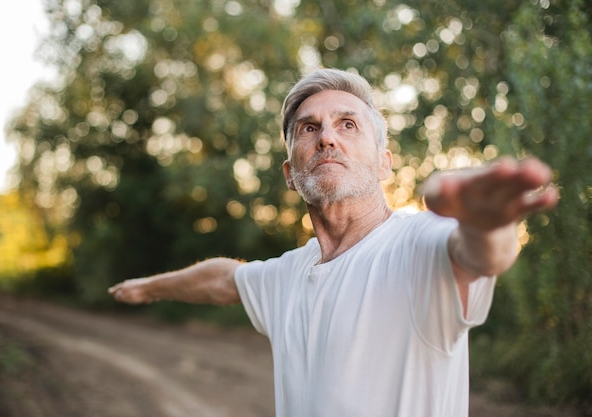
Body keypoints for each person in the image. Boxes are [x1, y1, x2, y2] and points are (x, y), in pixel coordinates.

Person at [108, 68, 558, 417]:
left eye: (347, 125)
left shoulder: (419, 245)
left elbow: (479, 255)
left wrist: (488, 223)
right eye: (308, 128)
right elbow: (223, 280)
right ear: (290, 174)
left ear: (384, 164)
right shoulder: (288, 273)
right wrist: (148, 287)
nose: (326, 137)